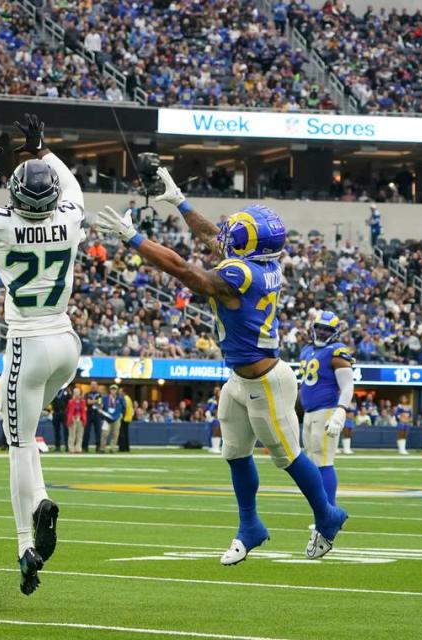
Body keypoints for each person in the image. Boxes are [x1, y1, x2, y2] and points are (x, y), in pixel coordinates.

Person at [94, 168, 347, 564]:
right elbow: (214, 238)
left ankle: (327, 516)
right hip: (239, 377)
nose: (229, 237)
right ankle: (250, 527)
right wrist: (181, 202)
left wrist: (133, 238)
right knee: (234, 451)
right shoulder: (257, 264)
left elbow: (185, 270)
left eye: (241, 233)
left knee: (288, 456)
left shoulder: (241, 274)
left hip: (267, 381)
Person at [0, 113, 84, 594]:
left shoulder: (1, 226)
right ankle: (41, 499)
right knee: (30, 434)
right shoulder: (70, 218)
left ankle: (24, 544)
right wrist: (42, 147)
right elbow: (74, 187)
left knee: (18, 446)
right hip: (68, 344)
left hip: (27, 342)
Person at [298, 310, 355, 508]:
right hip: (309, 412)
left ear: (335, 332)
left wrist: (341, 411)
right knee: (312, 462)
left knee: (324, 461)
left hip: (327, 411)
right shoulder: (306, 350)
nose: (322, 332)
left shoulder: (337, 351)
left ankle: (329, 510)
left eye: (327, 329)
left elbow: (348, 385)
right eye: (319, 328)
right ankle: (320, 509)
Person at [100, 384, 126, 454]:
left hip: (116, 417)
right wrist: (102, 415)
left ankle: (112, 448)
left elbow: (124, 407)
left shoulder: (120, 398)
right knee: (104, 433)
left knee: (115, 434)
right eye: (112, 389)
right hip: (107, 417)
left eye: (114, 389)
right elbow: (101, 407)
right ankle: (102, 448)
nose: (113, 391)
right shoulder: (105, 398)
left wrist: (121, 415)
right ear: (110, 390)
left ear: (116, 390)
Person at [83, 380, 103, 453]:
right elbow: (87, 402)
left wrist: (92, 401)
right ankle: (85, 447)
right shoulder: (87, 394)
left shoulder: (99, 394)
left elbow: (100, 404)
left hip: (97, 414)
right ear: (90, 386)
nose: (93, 386)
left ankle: (98, 447)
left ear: (97, 386)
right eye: (92, 384)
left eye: (95, 384)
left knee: (98, 431)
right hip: (88, 414)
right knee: (87, 431)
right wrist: (95, 401)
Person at [66, 387, 87, 454]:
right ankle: (71, 448)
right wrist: (71, 417)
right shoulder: (70, 402)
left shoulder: (83, 401)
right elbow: (68, 411)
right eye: (75, 392)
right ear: (73, 393)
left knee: (80, 435)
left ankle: (78, 448)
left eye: (78, 392)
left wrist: (82, 418)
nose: (77, 394)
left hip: (80, 419)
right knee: (72, 435)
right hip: (73, 419)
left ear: (80, 393)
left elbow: (83, 411)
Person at [50, 386, 70, 452]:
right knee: (56, 431)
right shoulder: (54, 391)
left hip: (64, 413)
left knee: (66, 430)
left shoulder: (66, 392)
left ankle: (67, 446)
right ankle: (57, 446)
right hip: (56, 413)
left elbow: (70, 402)